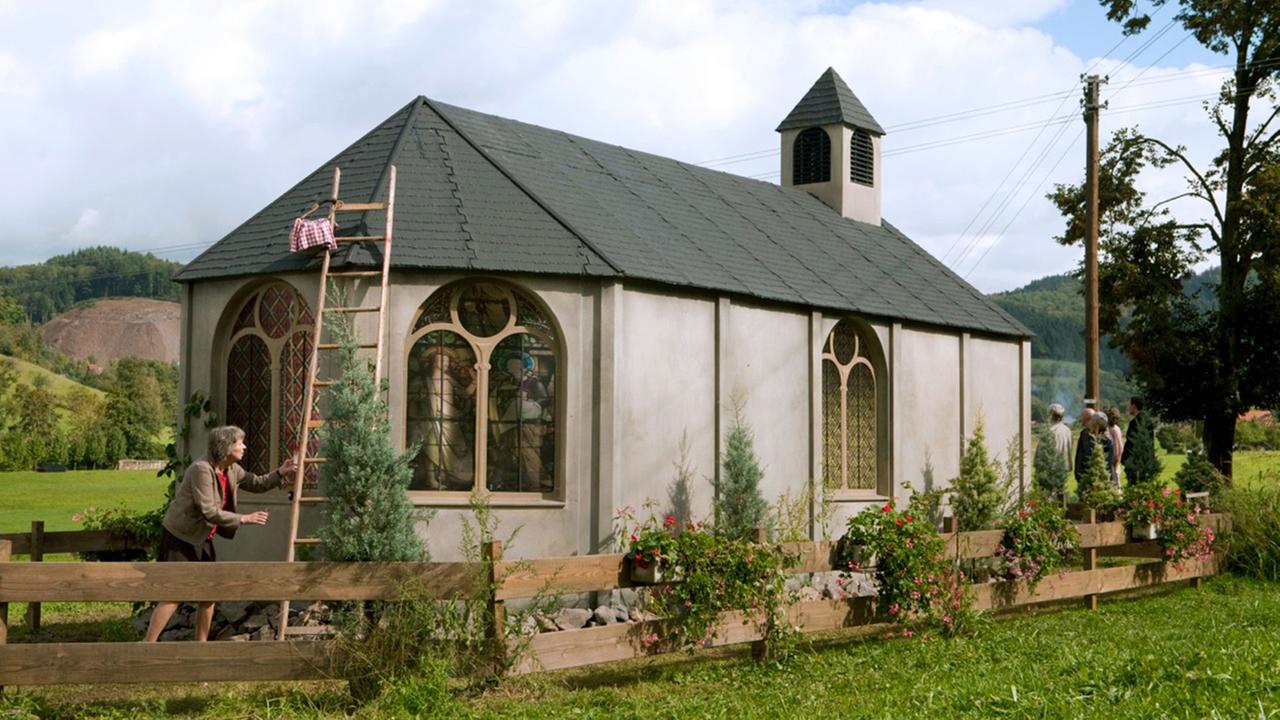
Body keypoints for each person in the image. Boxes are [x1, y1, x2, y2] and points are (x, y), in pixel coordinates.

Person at [144, 425, 294, 642]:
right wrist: (243, 518)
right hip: (181, 536)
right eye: (239, 442)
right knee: (173, 594)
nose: (244, 446)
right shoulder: (201, 470)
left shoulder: (232, 469)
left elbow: (257, 482)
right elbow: (208, 511)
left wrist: (280, 472)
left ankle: (202, 647)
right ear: (225, 447)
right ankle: (147, 647)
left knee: (209, 595)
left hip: (202, 538)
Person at [1048, 403, 1074, 475]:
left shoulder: (1050, 431)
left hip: (1052, 470)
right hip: (1065, 468)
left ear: (1051, 415)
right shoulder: (1068, 430)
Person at [1073, 407, 1096, 484]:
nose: (1081, 419)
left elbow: (1087, 455)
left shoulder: (1087, 434)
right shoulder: (1092, 432)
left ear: (1087, 418)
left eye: (1082, 417)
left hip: (1085, 476)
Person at [1105, 406, 1126, 486]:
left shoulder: (1114, 429)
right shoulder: (1111, 428)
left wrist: (1114, 464)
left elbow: (1118, 449)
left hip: (1113, 464)